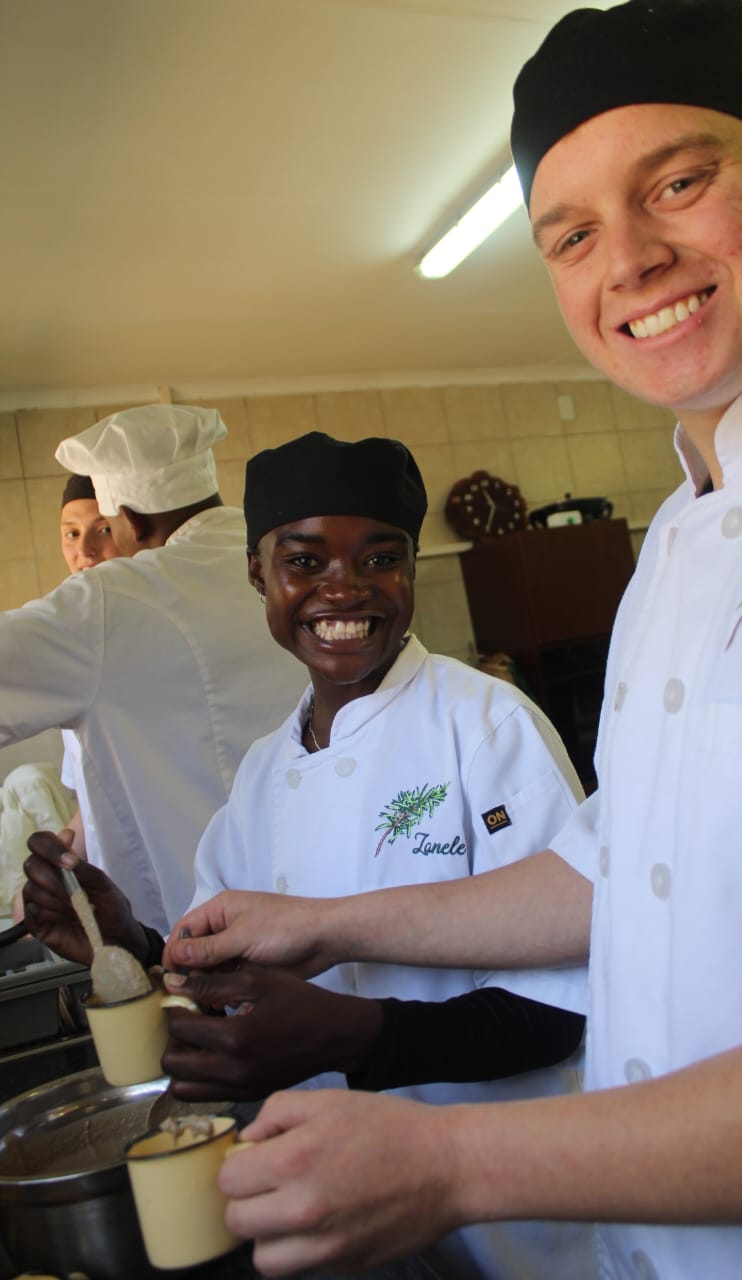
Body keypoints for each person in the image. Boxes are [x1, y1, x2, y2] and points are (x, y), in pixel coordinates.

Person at [160, 2, 742, 1277]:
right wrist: (322, 922)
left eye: (678, 183)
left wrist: (454, 1161)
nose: (628, 261)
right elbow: (610, 867)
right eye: (572, 234)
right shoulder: (673, 549)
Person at [24, 432, 595, 1280]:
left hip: (513, 1212)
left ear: (412, 568)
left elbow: (566, 1007)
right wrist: (134, 945)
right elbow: (225, 984)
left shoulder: (484, 725)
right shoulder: (263, 776)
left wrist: (355, 1036)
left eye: (381, 558)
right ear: (258, 575)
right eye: (303, 561)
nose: (344, 587)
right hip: (342, 1200)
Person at [3, 403, 306, 934]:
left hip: (201, 926)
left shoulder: (111, 602)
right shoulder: (290, 557)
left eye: (106, 526)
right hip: (325, 892)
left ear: (133, 519)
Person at [57, 472, 123, 863]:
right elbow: (94, 794)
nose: (85, 550)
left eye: (103, 530)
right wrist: (64, 861)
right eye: (72, 533)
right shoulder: (69, 642)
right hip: (109, 877)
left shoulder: (160, 634)